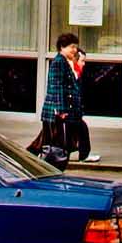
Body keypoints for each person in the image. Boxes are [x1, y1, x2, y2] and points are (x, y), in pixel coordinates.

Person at [31, 33, 82, 167]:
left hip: (58, 113)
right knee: (54, 146)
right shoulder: (59, 62)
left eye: (75, 47)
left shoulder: (64, 62)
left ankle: (29, 161)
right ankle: (47, 167)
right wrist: (61, 110)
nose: (75, 50)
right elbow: (56, 86)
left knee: (47, 143)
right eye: (72, 47)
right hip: (56, 114)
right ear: (62, 47)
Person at [66, 48, 100, 163]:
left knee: (77, 131)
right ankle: (82, 155)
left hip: (73, 112)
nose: (84, 64)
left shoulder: (77, 74)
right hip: (68, 112)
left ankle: (79, 154)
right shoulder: (70, 73)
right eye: (82, 61)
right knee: (79, 129)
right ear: (75, 60)